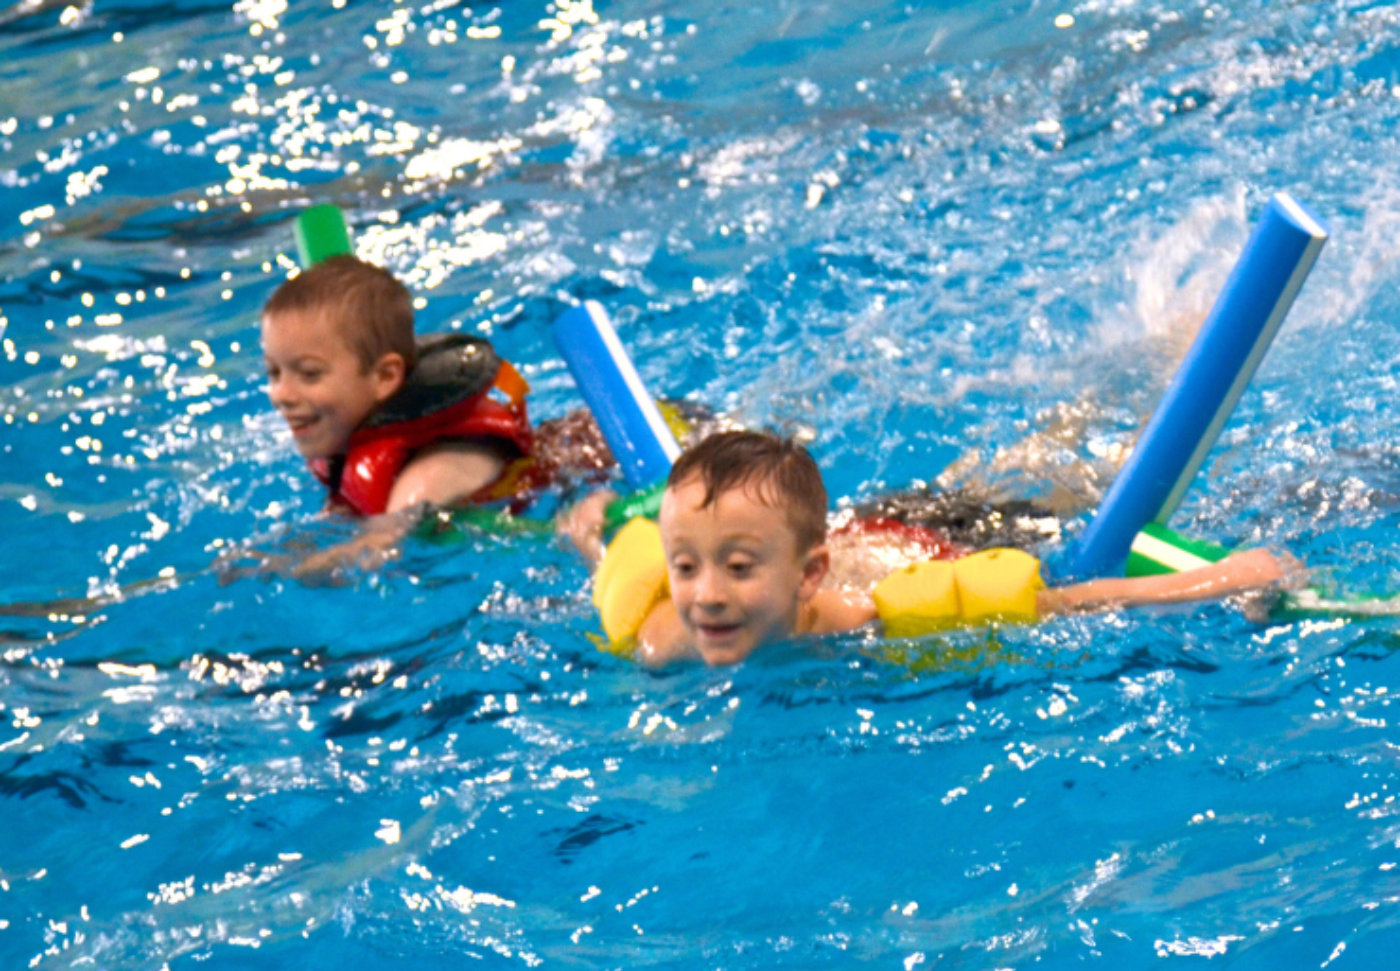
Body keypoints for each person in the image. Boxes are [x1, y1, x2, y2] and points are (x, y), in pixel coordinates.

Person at [559, 429, 1294, 668]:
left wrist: (1220, 578)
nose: (706, 593)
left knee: (1069, 472)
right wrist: (590, 534)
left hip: (926, 544)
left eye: (738, 567)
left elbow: (1064, 603)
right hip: (854, 527)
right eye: (686, 566)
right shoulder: (668, 638)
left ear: (807, 576)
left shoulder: (861, 624)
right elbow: (622, 573)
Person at [261, 256, 611, 572]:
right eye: (274, 373)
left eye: (309, 374)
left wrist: (283, 570)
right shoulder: (352, 451)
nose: (280, 395)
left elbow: (378, 550)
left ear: (384, 377)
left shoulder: (425, 476)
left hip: (595, 454)